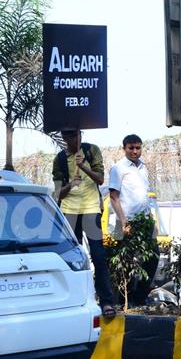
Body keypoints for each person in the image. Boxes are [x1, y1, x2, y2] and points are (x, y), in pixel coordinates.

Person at [53, 129, 115, 318]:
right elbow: (57, 193)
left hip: (91, 209)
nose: (69, 139)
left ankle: (106, 301)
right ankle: (77, 299)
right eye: (66, 136)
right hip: (69, 211)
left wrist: (84, 166)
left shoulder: (91, 151)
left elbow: (100, 179)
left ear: (80, 135)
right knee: (72, 259)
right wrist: (71, 184)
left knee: (98, 255)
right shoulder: (60, 159)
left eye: (73, 135)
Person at [108, 134, 159, 307]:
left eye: (138, 147)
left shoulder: (143, 167)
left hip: (145, 221)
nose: (135, 151)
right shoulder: (118, 168)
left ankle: (138, 298)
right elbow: (114, 197)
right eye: (131, 148)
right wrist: (123, 222)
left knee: (153, 257)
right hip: (126, 221)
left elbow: (144, 196)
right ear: (124, 148)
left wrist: (152, 219)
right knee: (125, 263)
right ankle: (123, 301)